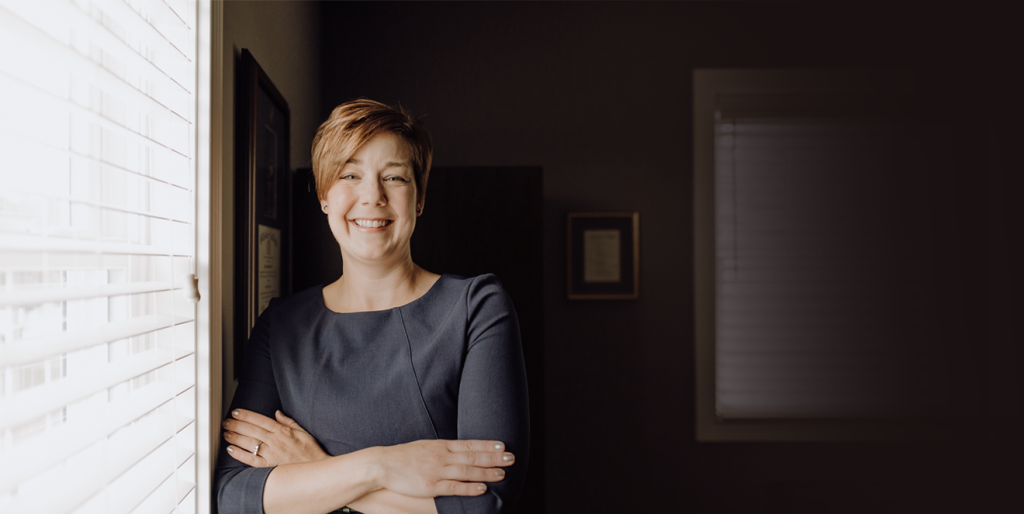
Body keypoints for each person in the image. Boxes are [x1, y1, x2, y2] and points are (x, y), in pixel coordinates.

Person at [213, 99, 530, 514]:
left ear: (418, 198)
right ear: (325, 196)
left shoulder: (476, 308)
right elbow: (234, 494)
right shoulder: (281, 326)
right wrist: (380, 467)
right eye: (350, 175)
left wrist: (316, 469)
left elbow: (485, 503)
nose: (372, 196)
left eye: (394, 177)